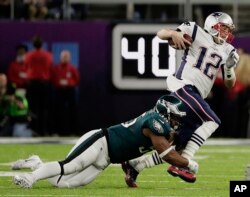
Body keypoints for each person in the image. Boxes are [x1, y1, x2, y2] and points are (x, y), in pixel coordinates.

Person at [121, 12, 239, 187]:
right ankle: (186, 164)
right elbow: (161, 33)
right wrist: (174, 33)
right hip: (183, 86)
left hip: (196, 95)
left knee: (178, 146)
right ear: (212, 26)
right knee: (212, 120)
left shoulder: (228, 50)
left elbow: (230, 83)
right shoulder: (195, 30)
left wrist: (229, 68)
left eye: (228, 29)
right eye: (223, 28)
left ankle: (136, 165)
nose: (226, 32)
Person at [12, 95, 199, 188]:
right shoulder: (155, 123)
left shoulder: (163, 129)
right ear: (165, 114)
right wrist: (189, 163)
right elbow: (167, 154)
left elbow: (169, 150)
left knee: (66, 184)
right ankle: (30, 178)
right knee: (68, 166)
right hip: (101, 142)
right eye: (174, 118)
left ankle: (36, 163)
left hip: (107, 159)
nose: (176, 122)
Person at [25, 35, 53, 136]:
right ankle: (43, 131)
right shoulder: (48, 55)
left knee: (33, 108)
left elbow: (26, 67)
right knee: (43, 108)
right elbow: (49, 67)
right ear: (42, 44)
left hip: (33, 84)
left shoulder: (29, 55)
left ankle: (34, 130)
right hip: (43, 84)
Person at [51, 50, 80, 136]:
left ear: (69, 58)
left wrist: (69, 83)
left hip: (70, 91)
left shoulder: (72, 68)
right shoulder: (56, 68)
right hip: (59, 91)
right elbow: (53, 79)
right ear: (60, 57)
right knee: (58, 111)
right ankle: (58, 131)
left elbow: (77, 80)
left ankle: (74, 131)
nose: (65, 58)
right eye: (63, 56)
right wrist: (59, 83)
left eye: (66, 56)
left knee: (72, 111)